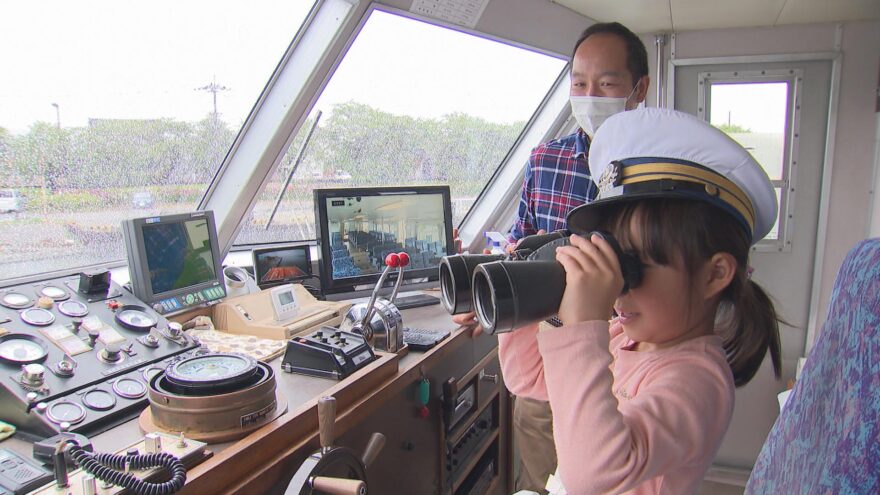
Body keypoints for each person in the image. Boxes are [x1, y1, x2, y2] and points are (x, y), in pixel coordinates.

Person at [504, 107, 783, 494]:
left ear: (715, 273)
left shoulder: (697, 378)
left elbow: (594, 475)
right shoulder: (622, 333)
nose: (618, 286)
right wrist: (531, 300)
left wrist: (582, 327)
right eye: (615, 262)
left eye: (634, 267)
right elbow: (529, 380)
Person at [453, 21, 650, 493]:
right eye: (580, 83)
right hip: (546, 358)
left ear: (638, 89)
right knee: (543, 481)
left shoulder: (660, 168)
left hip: (628, 360)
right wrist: (489, 295)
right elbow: (522, 242)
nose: (590, 94)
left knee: (613, 477)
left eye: (606, 83)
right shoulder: (546, 159)